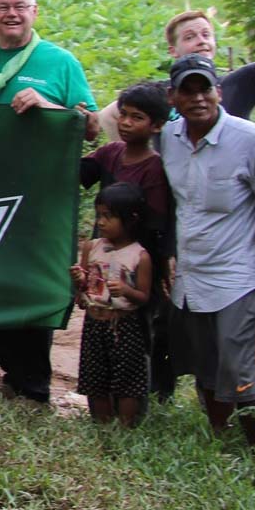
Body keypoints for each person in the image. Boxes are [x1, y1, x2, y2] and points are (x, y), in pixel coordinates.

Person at [0, 0, 97, 404]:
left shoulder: (61, 63)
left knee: (36, 284)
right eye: (3, 7)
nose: (11, 14)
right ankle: (12, 375)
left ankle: (35, 383)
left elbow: (90, 128)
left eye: (20, 6)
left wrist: (48, 106)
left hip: (41, 201)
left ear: (35, 12)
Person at [162, 53, 255, 445]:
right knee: (205, 367)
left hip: (239, 278)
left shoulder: (250, 140)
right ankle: (219, 442)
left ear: (218, 92)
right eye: (187, 91)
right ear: (172, 98)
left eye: (204, 88)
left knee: (241, 372)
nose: (198, 98)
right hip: (191, 277)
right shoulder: (168, 140)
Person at [96, 0, 255, 139]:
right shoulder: (157, 93)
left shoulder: (237, 83)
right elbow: (106, 117)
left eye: (206, 35)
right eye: (190, 37)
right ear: (173, 50)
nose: (201, 41)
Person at [79, 82, 174, 401]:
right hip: (102, 261)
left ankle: (136, 403)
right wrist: (69, 129)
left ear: (157, 125)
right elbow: (78, 173)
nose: (126, 123)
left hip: (136, 265)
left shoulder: (155, 168)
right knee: (96, 324)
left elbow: (158, 224)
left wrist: (161, 264)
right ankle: (100, 403)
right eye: (123, 115)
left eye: (137, 117)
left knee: (134, 334)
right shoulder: (110, 153)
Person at [70, 183, 153, 426]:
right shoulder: (92, 247)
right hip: (95, 322)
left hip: (124, 325)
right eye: (99, 215)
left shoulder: (140, 256)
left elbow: (144, 296)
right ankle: (101, 426)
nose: (102, 222)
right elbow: (84, 287)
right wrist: (79, 280)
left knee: (127, 380)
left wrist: (127, 290)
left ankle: (125, 426)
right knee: (95, 378)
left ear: (131, 219)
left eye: (109, 216)